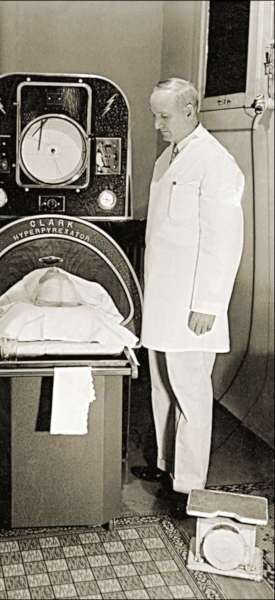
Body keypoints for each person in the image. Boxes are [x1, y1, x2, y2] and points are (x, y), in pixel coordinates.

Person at [131, 78, 244, 518]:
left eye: (164, 116)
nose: (157, 124)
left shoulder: (217, 164)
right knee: (162, 386)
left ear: (191, 110)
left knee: (192, 394)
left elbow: (224, 241)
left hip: (193, 306)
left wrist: (209, 304)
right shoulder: (170, 156)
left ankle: (190, 486)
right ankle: (166, 466)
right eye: (155, 115)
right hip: (163, 300)